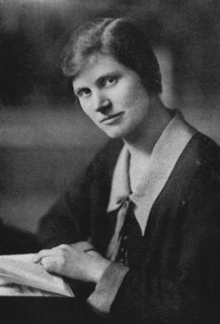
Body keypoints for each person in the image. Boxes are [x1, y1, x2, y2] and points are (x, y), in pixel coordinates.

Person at [33, 18, 220, 323]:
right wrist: (86, 257)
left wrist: (95, 270)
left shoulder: (205, 170)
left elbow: (198, 308)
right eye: (84, 92)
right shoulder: (115, 155)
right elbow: (54, 223)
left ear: (147, 72)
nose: (99, 104)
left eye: (109, 80)